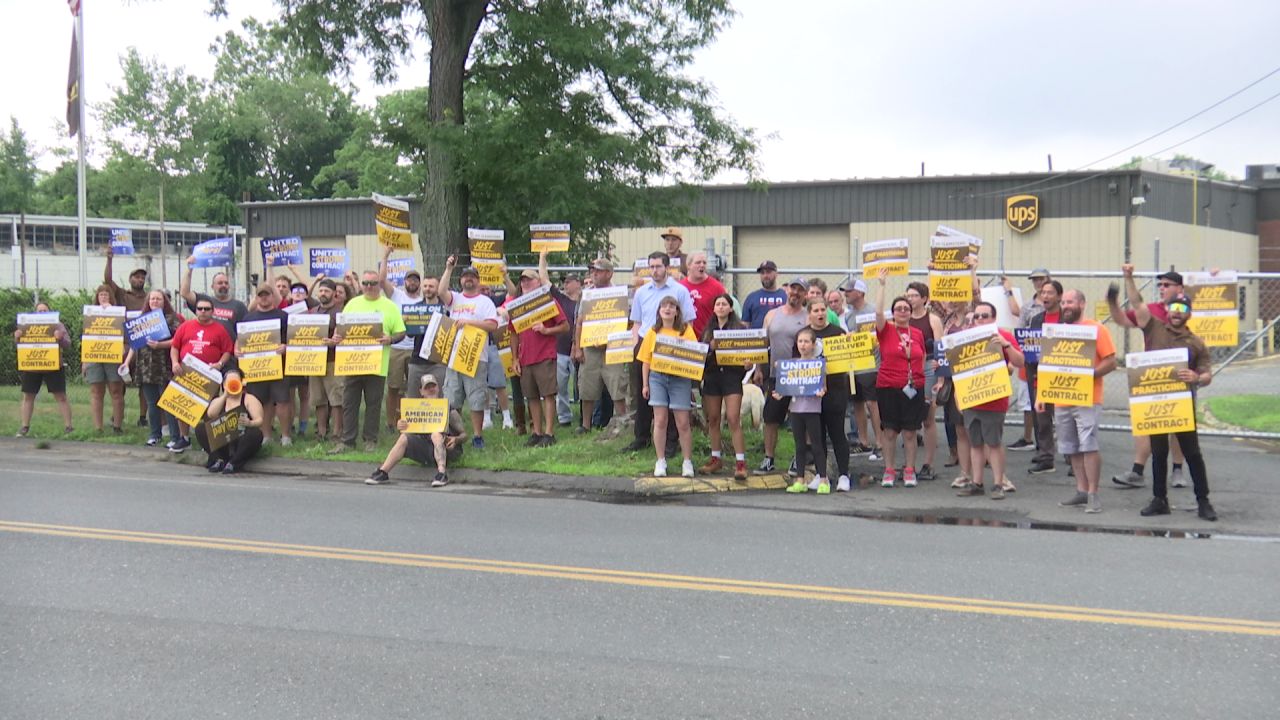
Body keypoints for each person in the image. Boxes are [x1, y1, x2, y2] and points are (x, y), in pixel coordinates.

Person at [1122, 267, 1217, 521]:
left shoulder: (1196, 342)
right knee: (1159, 452)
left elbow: (1208, 373)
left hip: (1181, 404)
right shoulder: (1154, 328)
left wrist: (1197, 378)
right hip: (1155, 402)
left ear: (1188, 314)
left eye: (1182, 310)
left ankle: (1203, 501)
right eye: (1174, 308)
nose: (1177, 313)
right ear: (1168, 310)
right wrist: (1129, 278)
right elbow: (1136, 302)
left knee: (1193, 453)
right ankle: (1159, 499)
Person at [1037, 289, 1116, 514]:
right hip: (1062, 399)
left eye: (1070, 302)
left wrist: (1089, 375)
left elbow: (1111, 361)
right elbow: (1048, 366)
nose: (1065, 306)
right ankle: (1081, 491)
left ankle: (1093, 493)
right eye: (1063, 302)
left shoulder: (1096, 329)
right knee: (1071, 448)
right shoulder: (1058, 332)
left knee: (1088, 444)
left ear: (1082, 303)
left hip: (1088, 399)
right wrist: (1043, 395)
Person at [1108, 270, 1188, 489]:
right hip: (1151, 373)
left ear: (1180, 288)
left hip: (1180, 373)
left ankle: (1178, 470)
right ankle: (1137, 471)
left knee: (1178, 423)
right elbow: (1123, 320)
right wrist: (1113, 303)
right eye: (1160, 284)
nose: (1162, 288)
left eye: (1167, 284)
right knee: (1144, 422)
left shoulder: (1188, 310)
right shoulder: (1151, 310)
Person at [624, 252, 696, 453]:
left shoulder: (679, 291)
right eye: (651, 266)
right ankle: (642, 436)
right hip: (647, 343)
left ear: (667, 267)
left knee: (672, 395)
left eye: (658, 266)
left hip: (673, 347)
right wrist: (634, 344)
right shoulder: (641, 292)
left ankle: (672, 442)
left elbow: (688, 320)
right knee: (644, 393)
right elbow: (637, 323)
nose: (654, 270)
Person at [329, 270, 407, 453]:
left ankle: (370, 440)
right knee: (349, 403)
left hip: (376, 365)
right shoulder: (352, 304)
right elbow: (340, 331)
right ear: (361, 285)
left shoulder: (389, 306)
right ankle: (347, 441)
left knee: (373, 404)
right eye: (365, 283)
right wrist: (335, 338)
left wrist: (391, 339)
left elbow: (401, 332)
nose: (369, 287)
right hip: (352, 363)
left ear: (379, 285)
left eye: (373, 283)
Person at [953, 301, 1024, 500]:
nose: (980, 319)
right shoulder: (965, 339)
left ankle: (998, 484)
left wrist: (1006, 345)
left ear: (994, 318)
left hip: (994, 399)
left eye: (985, 316)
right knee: (975, 444)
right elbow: (959, 370)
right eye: (977, 316)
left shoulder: (1003, 336)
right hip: (972, 399)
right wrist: (959, 395)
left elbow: (1019, 362)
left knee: (993, 443)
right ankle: (977, 483)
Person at [502, 257, 569, 447]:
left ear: (538, 281)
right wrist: (514, 358)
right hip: (525, 357)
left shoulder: (548, 301)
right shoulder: (517, 305)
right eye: (522, 280)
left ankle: (549, 432)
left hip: (545, 355)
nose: (525, 283)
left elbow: (564, 326)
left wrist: (547, 330)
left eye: (529, 279)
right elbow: (513, 333)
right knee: (531, 396)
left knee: (548, 394)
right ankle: (537, 432)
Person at [438, 257, 501, 448]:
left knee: (476, 398)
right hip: (453, 356)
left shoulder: (485, 301)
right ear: (461, 280)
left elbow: (492, 324)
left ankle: (477, 436)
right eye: (465, 277)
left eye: (472, 277)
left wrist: (469, 322)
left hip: (475, 357)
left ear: (478, 280)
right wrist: (449, 268)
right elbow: (441, 292)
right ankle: (452, 433)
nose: (468, 280)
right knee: (451, 397)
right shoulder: (455, 298)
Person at [366, 373, 467, 488]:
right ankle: (383, 472)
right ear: (421, 391)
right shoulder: (415, 408)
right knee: (404, 437)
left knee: (436, 435)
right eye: (427, 387)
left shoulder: (447, 407)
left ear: (438, 388)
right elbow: (408, 432)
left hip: (447, 450)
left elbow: (464, 435)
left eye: (433, 386)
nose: (431, 389)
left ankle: (442, 474)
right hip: (426, 450)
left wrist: (456, 440)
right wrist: (401, 425)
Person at [874, 268, 926, 488]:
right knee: (890, 431)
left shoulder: (917, 334)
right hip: (888, 386)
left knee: (910, 431)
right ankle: (889, 469)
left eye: (906, 308)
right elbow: (877, 314)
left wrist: (917, 375)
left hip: (913, 387)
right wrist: (882, 285)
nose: (903, 311)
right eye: (898, 309)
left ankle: (909, 469)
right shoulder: (886, 330)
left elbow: (921, 355)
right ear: (893, 312)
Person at [753, 276, 809, 474]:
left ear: (805, 294)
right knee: (771, 417)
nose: (795, 293)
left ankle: (799, 458)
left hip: (799, 375)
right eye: (793, 288)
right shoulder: (772, 315)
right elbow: (762, 343)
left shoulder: (808, 316)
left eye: (800, 290)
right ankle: (769, 458)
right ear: (786, 290)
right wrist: (759, 368)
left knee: (799, 418)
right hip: (776, 375)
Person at [638, 296, 698, 477]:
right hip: (657, 378)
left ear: (677, 311)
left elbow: (694, 354)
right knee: (660, 420)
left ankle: (687, 461)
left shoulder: (685, 330)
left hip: (680, 378)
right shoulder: (653, 332)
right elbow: (646, 360)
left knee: (683, 422)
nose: (668, 309)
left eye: (672, 306)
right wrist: (645, 384)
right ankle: (660, 460)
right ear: (659, 311)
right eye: (664, 306)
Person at [170, 297, 235, 453]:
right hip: (186, 372)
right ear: (196, 310)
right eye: (200, 309)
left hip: (209, 374)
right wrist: (174, 363)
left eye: (207, 309)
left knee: (210, 409)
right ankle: (184, 439)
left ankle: (208, 441)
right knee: (182, 407)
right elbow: (175, 347)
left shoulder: (220, 329)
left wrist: (220, 364)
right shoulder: (185, 326)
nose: (203, 312)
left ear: (212, 311)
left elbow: (227, 351)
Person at [573, 259, 629, 434]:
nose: (594, 274)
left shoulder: (619, 294)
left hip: (613, 347)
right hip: (590, 347)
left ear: (609, 273)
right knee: (587, 385)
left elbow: (626, 321)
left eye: (598, 271)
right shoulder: (587, 295)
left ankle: (622, 422)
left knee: (617, 384)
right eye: (592, 271)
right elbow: (579, 322)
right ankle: (586, 425)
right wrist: (577, 347)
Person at [120, 290, 182, 447]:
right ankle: (155, 434)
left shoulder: (172, 319)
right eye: (152, 298)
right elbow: (135, 344)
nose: (154, 301)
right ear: (148, 301)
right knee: (152, 402)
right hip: (146, 367)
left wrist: (161, 345)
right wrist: (126, 363)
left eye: (158, 299)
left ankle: (175, 437)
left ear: (164, 302)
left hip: (164, 365)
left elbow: (179, 340)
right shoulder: (141, 320)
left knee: (168, 403)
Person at [803, 297, 853, 492]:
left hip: (835, 391)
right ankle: (820, 474)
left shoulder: (838, 332)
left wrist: (850, 343)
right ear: (809, 314)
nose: (820, 314)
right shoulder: (803, 334)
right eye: (815, 310)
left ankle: (843, 475)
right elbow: (796, 361)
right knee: (817, 436)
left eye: (822, 310)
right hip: (812, 394)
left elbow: (852, 356)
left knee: (838, 433)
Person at [236, 283, 292, 446]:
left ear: (272, 296)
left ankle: (286, 436)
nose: (264, 297)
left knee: (282, 401)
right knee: (263, 402)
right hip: (256, 368)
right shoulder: (248, 318)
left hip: (279, 365)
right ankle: (266, 436)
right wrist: (238, 350)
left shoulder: (283, 315)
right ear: (257, 297)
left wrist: (286, 346)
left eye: (267, 294)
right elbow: (239, 340)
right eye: (261, 295)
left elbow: (293, 338)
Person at [699, 294, 748, 480]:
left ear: (730, 308)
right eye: (717, 304)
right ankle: (715, 458)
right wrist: (709, 348)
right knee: (713, 419)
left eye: (724, 304)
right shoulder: (707, 330)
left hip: (731, 377)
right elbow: (699, 356)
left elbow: (750, 353)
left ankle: (741, 462)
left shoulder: (739, 329)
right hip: (712, 377)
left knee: (733, 418)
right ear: (714, 308)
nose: (720, 307)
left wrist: (749, 364)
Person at [378, 246, 425, 432]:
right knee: (393, 387)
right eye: (409, 279)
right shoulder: (396, 295)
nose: (412, 282)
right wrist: (386, 255)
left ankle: (413, 422)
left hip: (416, 349)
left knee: (413, 389)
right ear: (404, 281)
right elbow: (381, 280)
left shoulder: (423, 300)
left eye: (415, 279)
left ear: (419, 283)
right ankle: (390, 423)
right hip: (397, 348)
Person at [1003, 268, 1051, 452]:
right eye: (1035, 280)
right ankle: (1034, 440)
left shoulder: (1059, 305)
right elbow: (1021, 330)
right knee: (1031, 401)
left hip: (1053, 359)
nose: (1038, 283)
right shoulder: (1028, 307)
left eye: (1041, 279)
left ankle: (1054, 441)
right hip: (1032, 361)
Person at [105, 244, 152, 428]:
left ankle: (142, 417)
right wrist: (109, 259)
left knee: (144, 384)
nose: (139, 279)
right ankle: (118, 416)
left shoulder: (150, 298)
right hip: (125, 345)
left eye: (142, 277)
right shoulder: (123, 295)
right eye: (136, 276)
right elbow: (107, 280)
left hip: (145, 346)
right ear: (130, 279)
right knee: (121, 380)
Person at [14, 302, 74, 437]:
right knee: (28, 396)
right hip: (32, 365)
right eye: (39, 311)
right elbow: (20, 345)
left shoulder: (58, 325)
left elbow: (68, 344)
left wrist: (61, 338)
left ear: (50, 312)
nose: (42, 313)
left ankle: (69, 427)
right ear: (35, 313)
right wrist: (17, 337)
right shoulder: (26, 326)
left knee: (61, 397)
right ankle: (24, 427)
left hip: (53, 365)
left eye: (44, 310)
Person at [782, 327, 829, 494]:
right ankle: (800, 479)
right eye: (800, 341)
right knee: (799, 445)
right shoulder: (792, 365)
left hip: (812, 409)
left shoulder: (818, 364)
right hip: (795, 409)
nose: (803, 345)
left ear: (813, 344)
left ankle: (823, 478)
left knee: (817, 445)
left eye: (806, 341)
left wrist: (821, 392)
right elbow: (786, 387)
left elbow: (823, 386)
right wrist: (780, 394)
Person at [904, 281, 944, 482]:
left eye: (914, 296)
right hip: (907, 367)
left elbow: (939, 346)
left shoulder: (932, 319)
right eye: (908, 295)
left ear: (924, 299)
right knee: (907, 415)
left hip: (928, 366)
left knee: (928, 416)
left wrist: (941, 371)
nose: (910, 299)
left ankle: (928, 463)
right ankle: (908, 463)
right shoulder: (903, 318)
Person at [1025, 280, 1064, 475]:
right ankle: (1046, 457)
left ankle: (1072, 457)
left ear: (1059, 296)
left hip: (1064, 376)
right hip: (1040, 376)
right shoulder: (1036, 319)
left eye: (1050, 293)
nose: (1046, 296)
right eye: (1043, 293)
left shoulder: (1067, 319)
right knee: (1042, 419)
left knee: (1065, 419)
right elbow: (1029, 347)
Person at [840, 276, 881, 458]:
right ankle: (864, 442)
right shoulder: (848, 315)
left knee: (873, 404)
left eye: (849, 291)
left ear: (860, 292)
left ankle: (880, 442)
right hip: (853, 367)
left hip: (872, 365)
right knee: (857, 404)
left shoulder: (873, 311)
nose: (846, 294)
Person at [195, 369, 265, 475]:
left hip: (241, 439)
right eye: (229, 382)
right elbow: (211, 414)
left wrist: (250, 423)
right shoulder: (219, 400)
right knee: (201, 429)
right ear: (223, 384)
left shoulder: (249, 399)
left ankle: (234, 463)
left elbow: (259, 420)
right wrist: (225, 396)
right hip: (222, 440)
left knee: (255, 434)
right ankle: (218, 459)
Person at [84, 285, 127, 434]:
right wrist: (84, 361)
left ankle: (117, 425)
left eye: (106, 294)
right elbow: (86, 337)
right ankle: (98, 427)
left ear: (111, 297)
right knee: (96, 391)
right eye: (101, 294)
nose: (103, 297)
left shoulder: (118, 313)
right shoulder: (90, 314)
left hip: (113, 356)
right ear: (97, 297)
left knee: (116, 390)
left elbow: (125, 333)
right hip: (94, 356)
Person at [307, 279, 345, 442]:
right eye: (321, 291)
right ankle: (321, 432)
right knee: (318, 399)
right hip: (314, 361)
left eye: (326, 291)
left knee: (336, 399)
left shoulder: (340, 313)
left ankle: (337, 433)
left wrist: (336, 340)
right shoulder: (312, 312)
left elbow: (344, 336)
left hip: (333, 360)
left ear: (334, 293)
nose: (323, 293)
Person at [179, 256, 248, 342]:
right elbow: (184, 293)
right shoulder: (205, 302)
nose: (223, 285)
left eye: (226, 283)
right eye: (220, 283)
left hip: (229, 351)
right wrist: (190, 269)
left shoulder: (239, 306)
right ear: (212, 286)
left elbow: (245, 330)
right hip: (207, 347)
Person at [551, 271, 583, 428]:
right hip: (561, 350)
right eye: (564, 282)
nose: (565, 284)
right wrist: (543, 257)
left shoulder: (585, 300)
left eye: (568, 281)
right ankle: (564, 417)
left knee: (582, 385)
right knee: (561, 385)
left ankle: (586, 417)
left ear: (578, 282)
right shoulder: (561, 299)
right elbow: (544, 280)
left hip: (581, 350)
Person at [679, 251, 727, 339]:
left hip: (707, 339)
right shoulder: (680, 287)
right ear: (688, 265)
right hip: (684, 339)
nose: (702, 265)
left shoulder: (716, 287)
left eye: (704, 262)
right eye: (698, 262)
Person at [741, 260, 786, 330]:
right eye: (762, 273)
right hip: (757, 340)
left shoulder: (785, 296)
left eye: (768, 272)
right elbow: (745, 324)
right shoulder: (751, 297)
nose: (765, 276)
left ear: (776, 274)